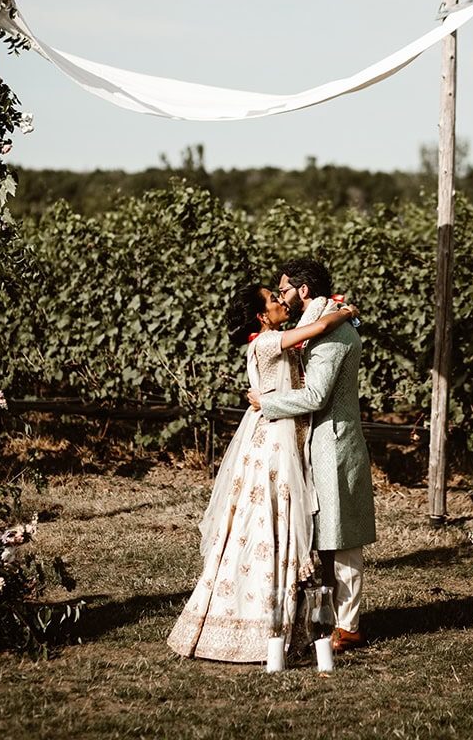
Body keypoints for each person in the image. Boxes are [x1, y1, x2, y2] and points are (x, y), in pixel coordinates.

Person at [167, 283, 358, 662]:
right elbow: (317, 330)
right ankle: (258, 621)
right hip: (273, 441)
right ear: (260, 315)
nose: (281, 302)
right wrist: (344, 313)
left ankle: (284, 621)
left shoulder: (273, 339)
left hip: (282, 434)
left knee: (273, 519)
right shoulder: (267, 342)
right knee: (268, 519)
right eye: (273, 300)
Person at [248, 258, 376, 653]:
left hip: (333, 444)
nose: (282, 297)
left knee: (342, 537)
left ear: (303, 291)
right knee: (323, 536)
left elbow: (317, 396)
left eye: (284, 290)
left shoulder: (330, 336)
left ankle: (349, 626)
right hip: (317, 442)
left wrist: (266, 403)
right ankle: (325, 620)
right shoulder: (325, 325)